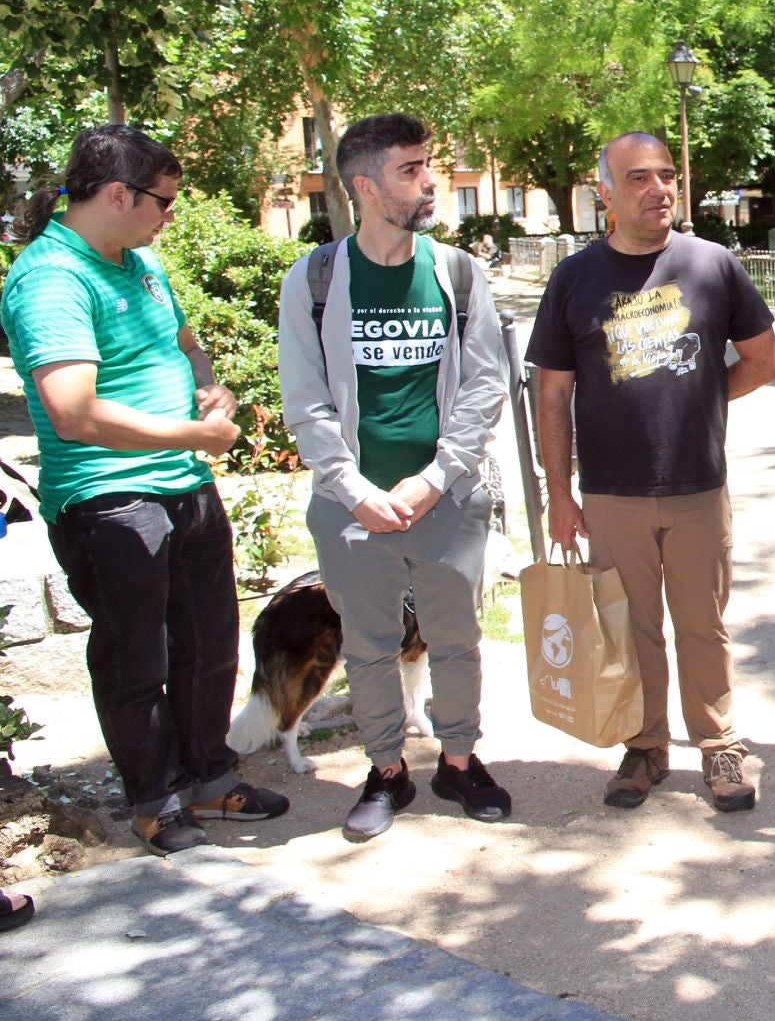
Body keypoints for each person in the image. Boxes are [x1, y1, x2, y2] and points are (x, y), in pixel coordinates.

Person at [0, 125, 289, 857]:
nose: (170, 216)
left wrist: (209, 390)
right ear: (118, 193)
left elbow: (187, 343)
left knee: (209, 647)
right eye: (163, 201)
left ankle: (210, 779)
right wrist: (194, 438)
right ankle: (155, 802)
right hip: (109, 500)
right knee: (139, 662)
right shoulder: (51, 279)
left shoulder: (140, 261)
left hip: (184, 491)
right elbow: (74, 410)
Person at [528, 132, 775, 814]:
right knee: (630, 627)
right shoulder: (574, 279)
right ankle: (644, 746)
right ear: (605, 193)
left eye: (667, 175)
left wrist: (698, 392)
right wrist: (560, 493)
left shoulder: (713, 265)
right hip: (611, 492)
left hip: (698, 486)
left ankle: (719, 745)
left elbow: (763, 361)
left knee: (704, 624)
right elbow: (551, 394)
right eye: (638, 178)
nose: (659, 189)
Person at [278, 113, 512, 842]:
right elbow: (305, 399)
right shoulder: (315, 279)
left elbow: (485, 383)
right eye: (411, 169)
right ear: (364, 186)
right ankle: (386, 772)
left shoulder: (456, 273)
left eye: (427, 165)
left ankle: (460, 760)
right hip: (354, 508)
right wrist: (356, 490)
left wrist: (437, 477)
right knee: (369, 645)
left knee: (457, 640)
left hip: (444, 499)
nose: (430, 180)